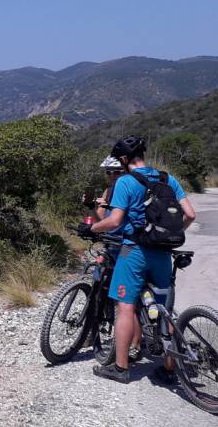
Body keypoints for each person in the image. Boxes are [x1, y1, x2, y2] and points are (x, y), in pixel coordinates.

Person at [83, 136, 197, 384]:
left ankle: (121, 368)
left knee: (124, 307)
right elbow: (190, 214)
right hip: (163, 253)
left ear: (124, 159)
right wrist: (168, 235)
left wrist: (92, 229)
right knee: (164, 309)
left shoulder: (125, 181)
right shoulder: (168, 179)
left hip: (132, 250)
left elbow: (113, 221)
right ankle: (168, 369)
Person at [92, 156, 142, 362]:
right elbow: (101, 220)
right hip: (111, 244)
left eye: (116, 172)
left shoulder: (129, 187)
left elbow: (115, 221)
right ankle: (92, 328)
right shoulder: (109, 191)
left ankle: (135, 345)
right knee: (97, 277)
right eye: (109, 172)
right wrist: (94, 208)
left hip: (127, 246)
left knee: (126, 298)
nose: (112, 176)